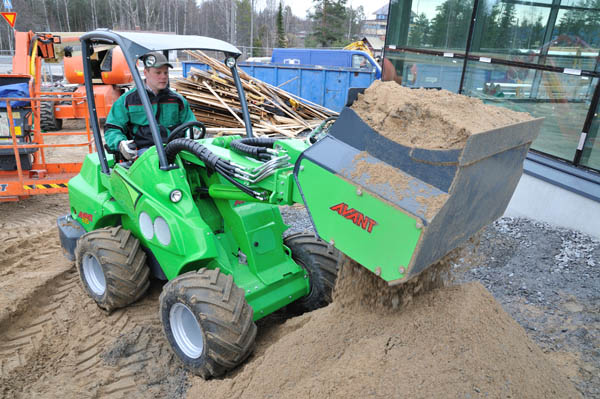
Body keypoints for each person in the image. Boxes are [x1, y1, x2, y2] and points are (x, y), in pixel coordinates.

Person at [104, 51, 197, 161]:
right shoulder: (128, 100)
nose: (163, 77)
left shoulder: (177, 100)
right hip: (143, 153)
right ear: (146, 72)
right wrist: (120, 143)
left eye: (166, 73)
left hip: (174, 150)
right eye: (158, 73)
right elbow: (112, 128)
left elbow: (190, 123)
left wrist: (193, 131)